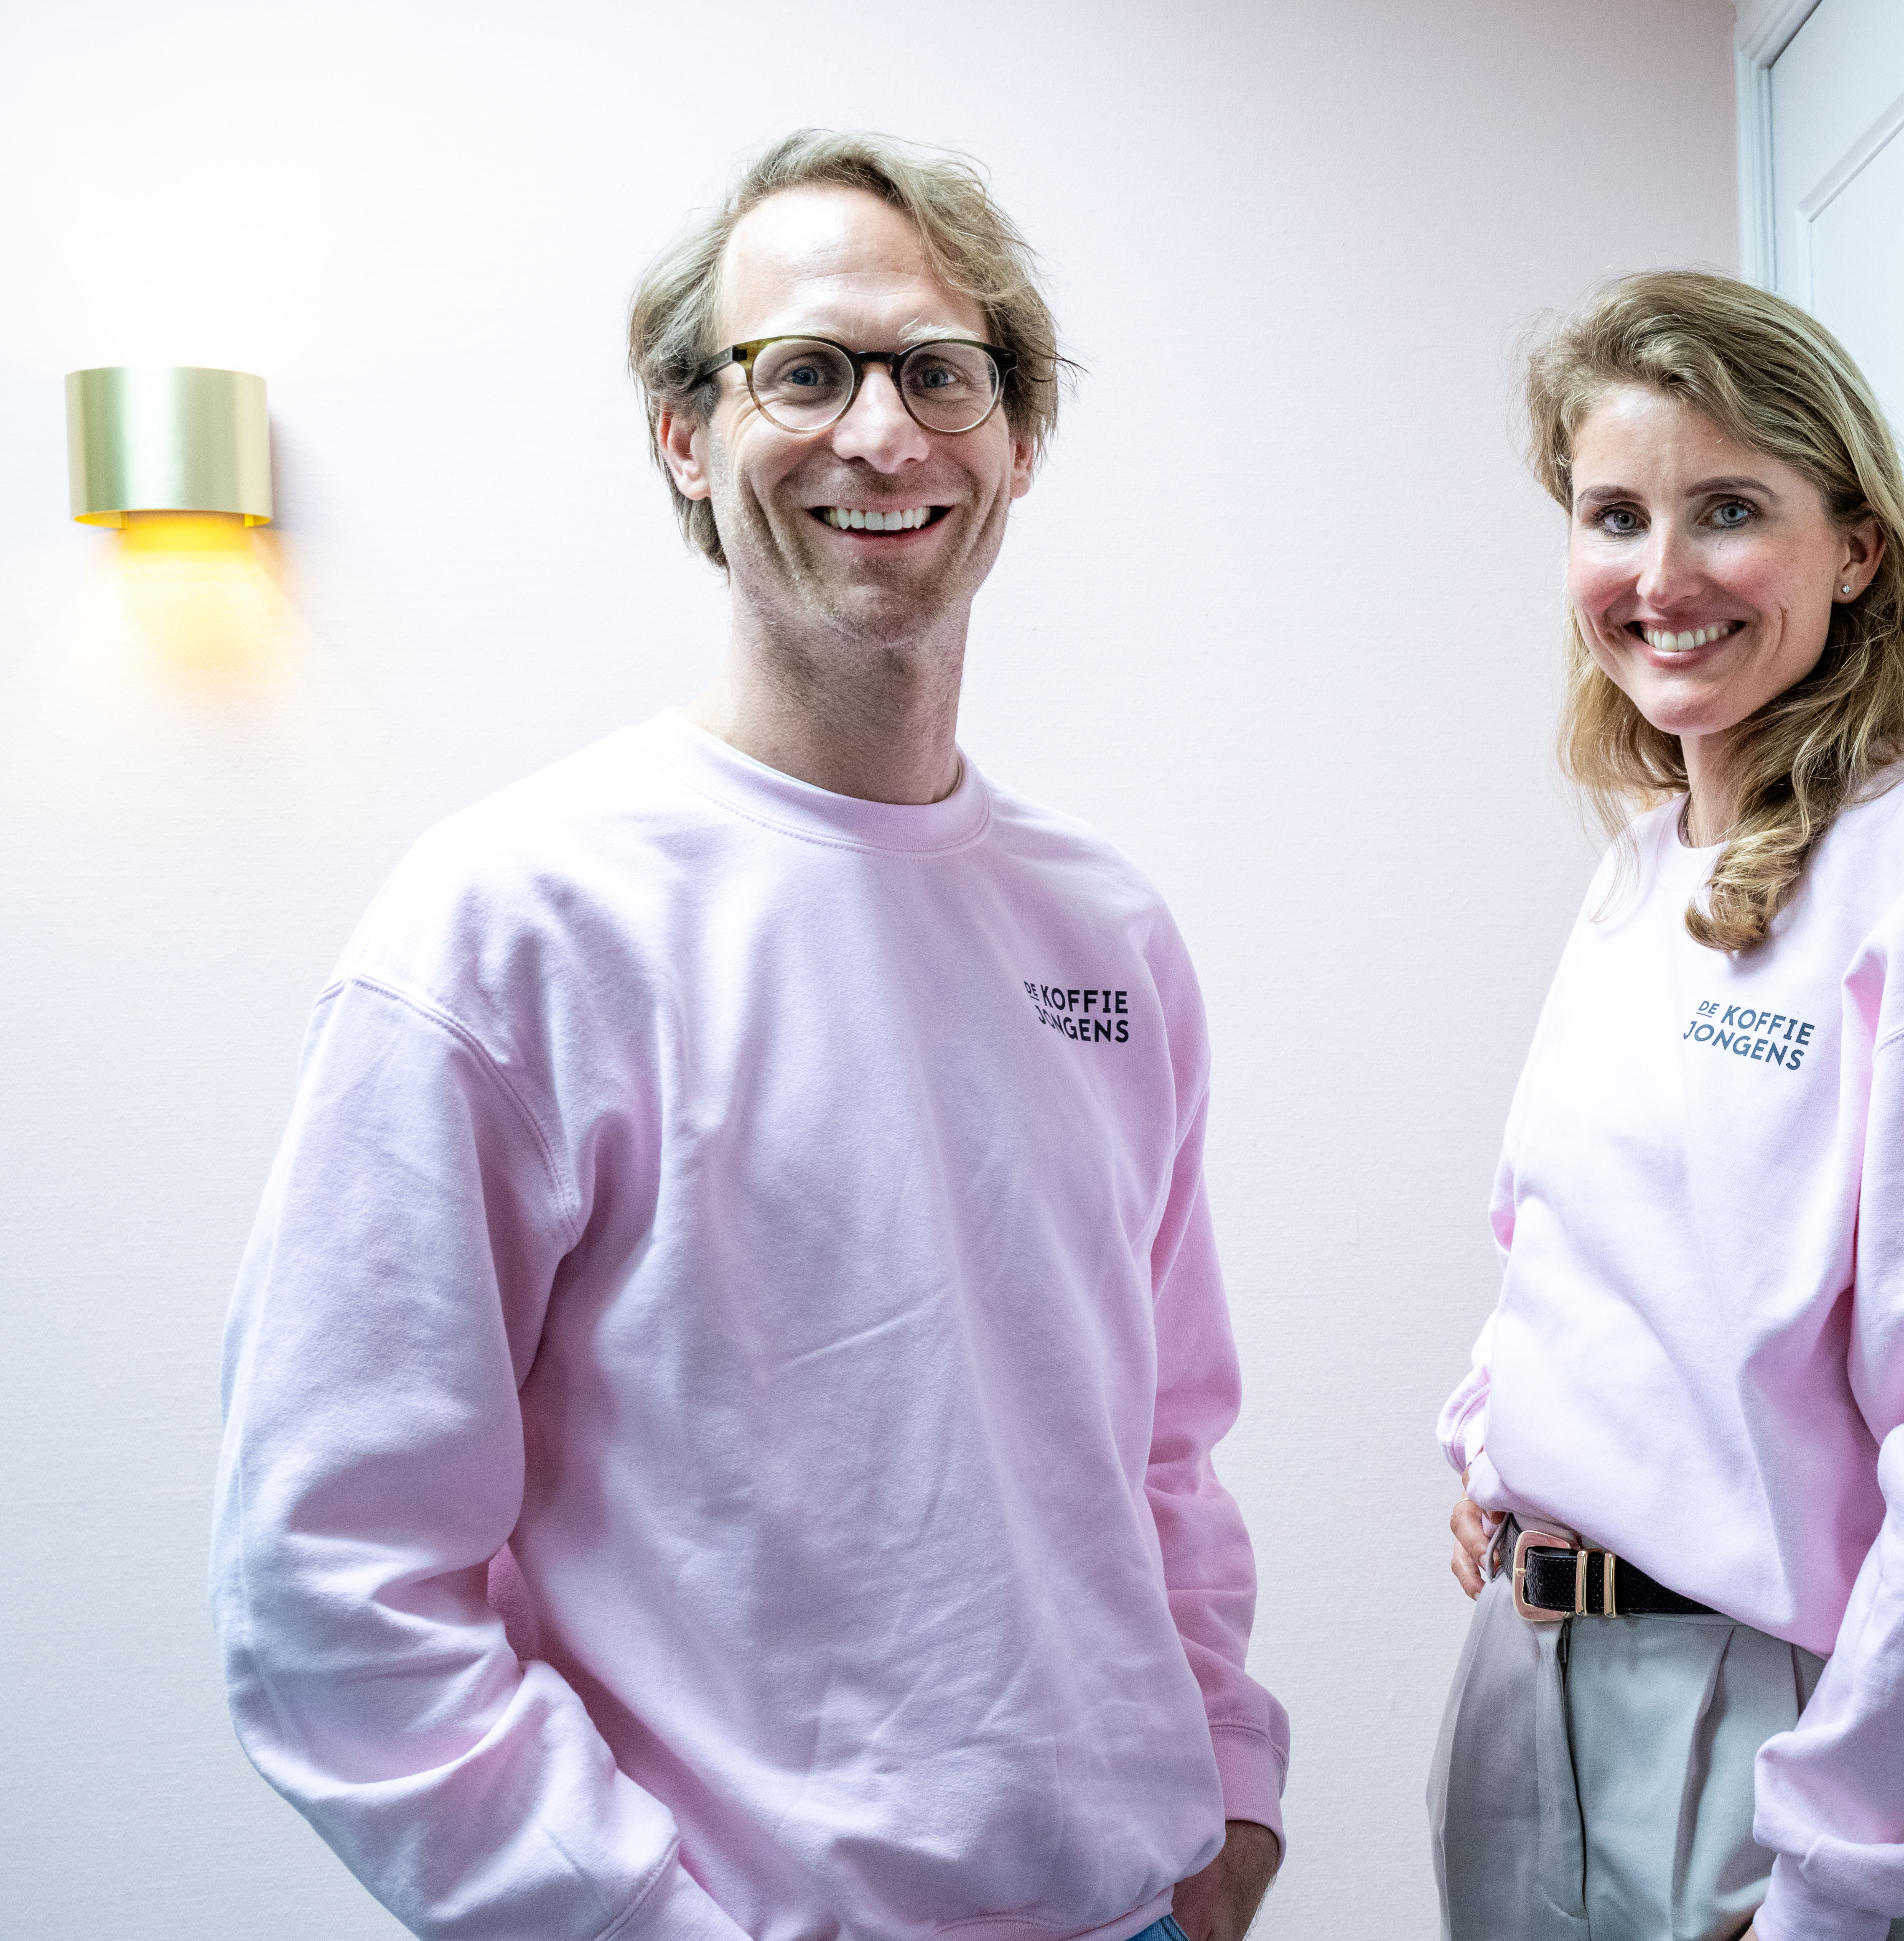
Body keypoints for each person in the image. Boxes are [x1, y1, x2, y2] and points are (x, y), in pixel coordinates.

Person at [209, 131, 1285, 1941]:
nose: (884, 433)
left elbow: (1161, 1448)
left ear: (1019, 440)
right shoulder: (507, 923)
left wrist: (1228, 1809)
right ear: (684, 436)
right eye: (805, 369)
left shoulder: (1108, 931)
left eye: (945, 370)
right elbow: (332, 1583)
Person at [1427, 270, 1904, 1941]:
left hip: (1776, 1735)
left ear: (1855, 545)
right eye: (1614, 515)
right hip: (1530, 1686)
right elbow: (1585, 1238)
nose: (1660, 578)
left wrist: (1845, 1863)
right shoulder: (1643, 866)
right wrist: (1491, 1434)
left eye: (1728, 511)